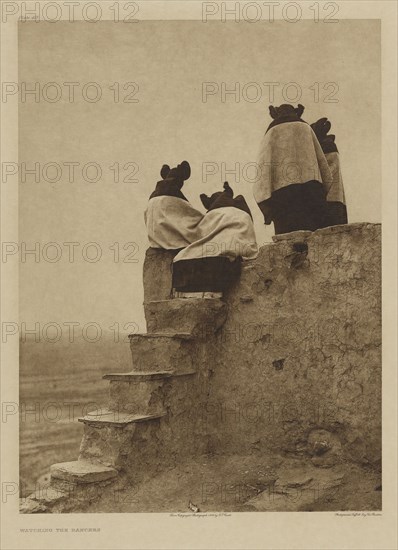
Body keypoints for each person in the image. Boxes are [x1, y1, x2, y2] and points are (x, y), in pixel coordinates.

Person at [253, 104, 333, 234]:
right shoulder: (305, 128)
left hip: (283, 196)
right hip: (311, 191)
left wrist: (266, 203)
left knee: (287, 243)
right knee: (315, 241)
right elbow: (325, 171)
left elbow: (263, 170)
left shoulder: (272, 131)